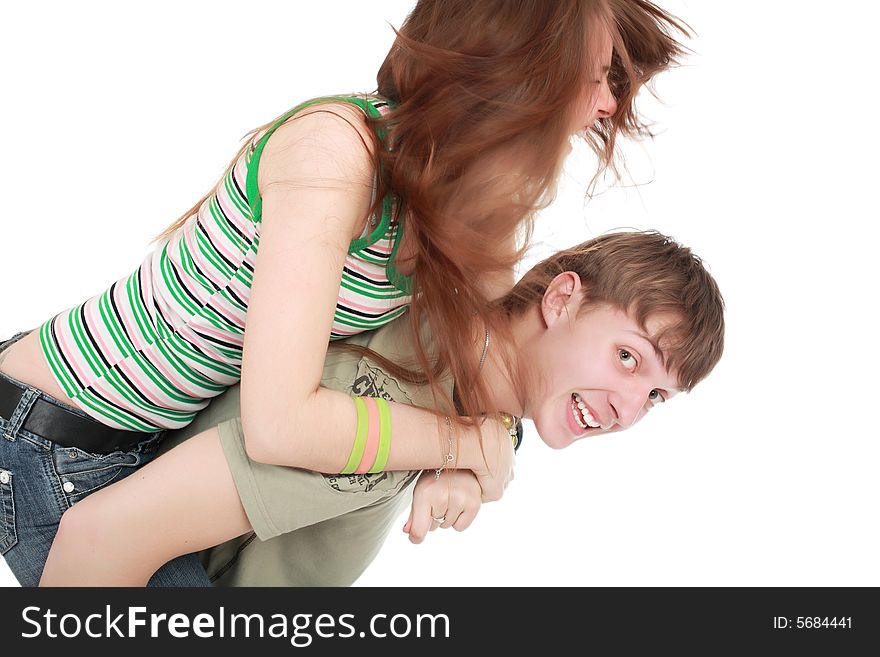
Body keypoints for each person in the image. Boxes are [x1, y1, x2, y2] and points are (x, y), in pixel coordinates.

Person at [0, 0, 689, 586]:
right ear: (519, 69)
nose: (606, 104)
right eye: (598, 76)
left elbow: (487, 362)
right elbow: (281, 424)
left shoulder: (472, 200)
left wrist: (472, 460)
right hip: (54, 440)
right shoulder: (336, 157)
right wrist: (459, 446)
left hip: (151, 445)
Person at [39, 230, 726, 586]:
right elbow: (99, 540)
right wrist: (463, 449)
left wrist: (482, 448)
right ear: (561, 298)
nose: (628, 409)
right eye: (628, 358)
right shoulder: (393, 400)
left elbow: (490, 422)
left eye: (656, 396)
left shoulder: (470, 383)